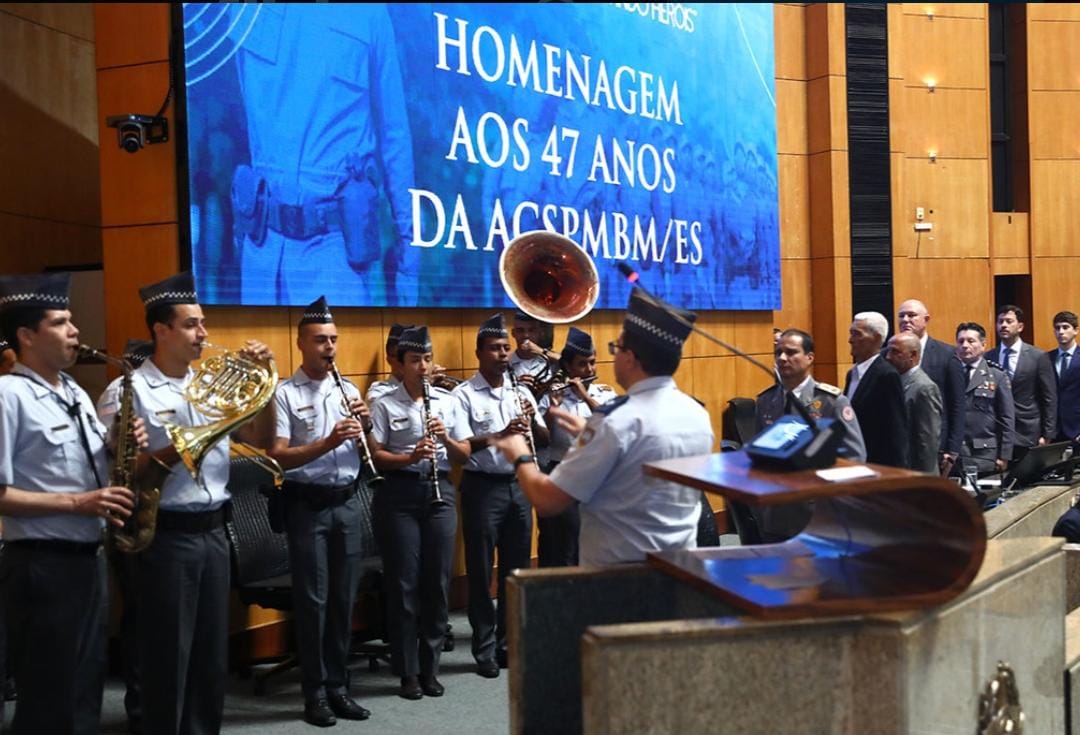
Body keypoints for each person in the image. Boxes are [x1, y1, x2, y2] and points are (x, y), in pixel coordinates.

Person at [112, 271, 276, 735]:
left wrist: (263, 390)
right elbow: (127, 473)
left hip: (215, 531)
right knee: (167, 658)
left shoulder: (210, 384)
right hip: (166, 535)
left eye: (202, 323)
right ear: (161, 330)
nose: (203, 334)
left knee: (209, 659)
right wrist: (183, 444)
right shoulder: (129, 390)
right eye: (191, 325)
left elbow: (260, 442)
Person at [0, 273, 138, 734]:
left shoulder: (74, 391)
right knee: (48, 696)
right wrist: (78, 503)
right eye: (60, 322)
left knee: (85, 689)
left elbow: (92, 461)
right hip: (41, 564)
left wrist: (121, 441)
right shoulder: (7, 396)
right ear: (26, 336)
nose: (75, 331)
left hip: (87, 559)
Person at [493, 290, 714, 566]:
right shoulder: (695, 413)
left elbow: (547, 500)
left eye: (616, 348)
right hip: (680, 567)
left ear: (631, 357)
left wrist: (519, 453)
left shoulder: (616, 420)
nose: (614, 356)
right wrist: (589, 434)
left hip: (620, 579)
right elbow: (635, 463)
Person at [231, 5, 419, 307]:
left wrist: (409, 258)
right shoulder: (249, 10)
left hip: (335, 252)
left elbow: (394, 135)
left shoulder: (368, 14)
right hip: (262, 253)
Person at [266, 296, 373, 727]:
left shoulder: (347, 389)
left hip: (346, 503)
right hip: (306, 506)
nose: (329, 347)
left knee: (344, 600)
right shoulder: (284, 394)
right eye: (320, 340)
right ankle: (314, 694)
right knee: (314, 603)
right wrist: (327, 442)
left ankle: (339, 686)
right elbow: (277, 457)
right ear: (301, 344)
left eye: (333, 340)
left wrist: (364, 425)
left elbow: (364, 449)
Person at [369, 326, 471, 700]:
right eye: (416, 361)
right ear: (402, 363)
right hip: (399, 496)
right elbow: (376, 456)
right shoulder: (384, 402)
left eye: (427, 359)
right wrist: (409, 457)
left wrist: (445, 439)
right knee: (404, 584)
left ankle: (431, 668)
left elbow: (464, 454)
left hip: (439, 491)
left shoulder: (447, 401)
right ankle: (407, 671)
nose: (424, 367)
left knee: (437, 583)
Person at [453, 313, 549, 677]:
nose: (503, 354)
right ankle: (484, 649)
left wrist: (532, 419)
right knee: (480, 572)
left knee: (516, 571)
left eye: (506, 348)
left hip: (518, 485)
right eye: (494, 349)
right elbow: (461, 448)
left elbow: (542, 439)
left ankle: (510, 645)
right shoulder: (463, 395)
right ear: (479, 353)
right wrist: (501, 434)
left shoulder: (520, 391)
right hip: (482, 488)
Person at [94, 337, 154, 735]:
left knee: (152, 613)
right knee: (139, 613)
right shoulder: (121, 391)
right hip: (128, 510)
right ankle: (138, 704)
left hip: (152, 510)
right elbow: (111, 453)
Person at [754, 329, 866, 541]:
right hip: (775, 511)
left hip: (817, 511)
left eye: (791, 352)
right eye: (778, 353)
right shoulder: (766, 401)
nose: (782, 358)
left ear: (809, 358)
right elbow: (759, 455)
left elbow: (854, 456)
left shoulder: (831, 402)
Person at [534, 327, 616, 567]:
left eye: (592, 363)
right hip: (562, 476)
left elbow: (612, 428)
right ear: (568, 368)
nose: (589, 370)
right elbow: (542, 439)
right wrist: (551, 411)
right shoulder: (554, 397)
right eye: (582, 364)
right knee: (563, 544)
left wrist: (587, 398)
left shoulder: (605, 395)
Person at [896, 299, 967, 475]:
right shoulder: (890, 354)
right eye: (901, 316)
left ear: (926, 320)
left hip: (937, 447)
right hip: (900, 447)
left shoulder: (947, 354)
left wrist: (953, 449)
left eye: (912, 315)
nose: (905, 320)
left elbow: (957, 405)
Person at [846, 312, 909, 467]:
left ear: (876, 338)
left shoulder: (886, 375)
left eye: (857, 334)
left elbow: (896, 430)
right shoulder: (851, 374)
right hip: (853, 463)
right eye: (851, 333)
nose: (850, 340)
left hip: (877, 466)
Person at [993, 305, 1056, 458]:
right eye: (1000, 321)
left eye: (1009, 321)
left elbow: (1049, 397)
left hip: (1028, 431)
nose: (1004, 325)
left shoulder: (1038, 356)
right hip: (997, 432)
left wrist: (1048, 434)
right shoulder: (989, 356)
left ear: (1020, 326)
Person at [955, 322, 1015, 476]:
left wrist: (1005, 455)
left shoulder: (996, 375)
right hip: (954, 455)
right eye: (960, 341)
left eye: (970, 341)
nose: (965, 345)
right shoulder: (949, 373)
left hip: (984, 454)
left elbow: (1007, 418)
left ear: (983, 345)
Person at [885, 332, 944, 474]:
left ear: (913, 355)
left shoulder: (924, 388)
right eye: (888, 351)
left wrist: (922, 481)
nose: (888, 357)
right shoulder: (893, 382)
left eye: (895, 352)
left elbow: (927, 442)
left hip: (917, 474)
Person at [508, 310, 559, 390]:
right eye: (520, 330)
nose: (526, 335)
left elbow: (569, 363)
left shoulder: (550, 360)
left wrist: (540, 351)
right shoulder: (506, 363)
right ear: (513, 333)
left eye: (532, 330)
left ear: (540, 333)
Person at [1052, 311, 1080, 443]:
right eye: (1057, 328)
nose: (1061, 332)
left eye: (1065, 327)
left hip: (1077, 428)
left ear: (1076, 330)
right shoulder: (1046, 358)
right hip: (1054, 431)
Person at [368, 323, 412, 404]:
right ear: (388, 359)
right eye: (399, 357)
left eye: (412, 358)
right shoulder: (379, 390)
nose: (404, 362)